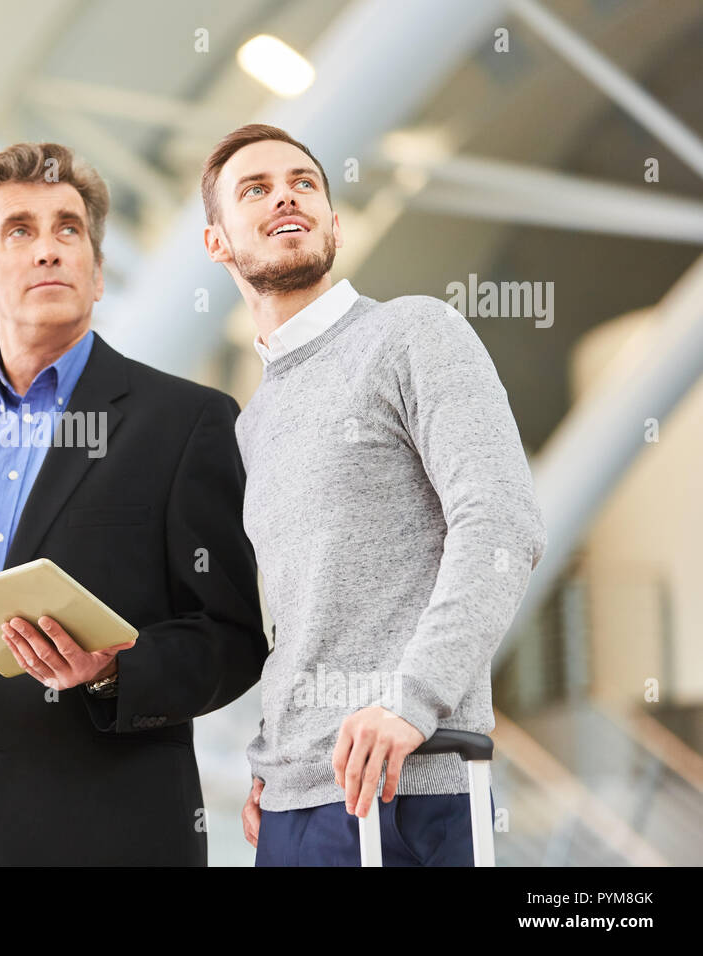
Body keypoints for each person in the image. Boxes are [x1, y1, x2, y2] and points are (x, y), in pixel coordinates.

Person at [0, 141, 267, 865]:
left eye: (68, 230)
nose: (49, 250)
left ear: (98, 273)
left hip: (116, 838)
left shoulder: (184, 422)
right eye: (20, 231)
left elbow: (230, 640)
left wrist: (113, 670)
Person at [199, 124, 546, 866]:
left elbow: (502, 524)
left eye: (304, 183)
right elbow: (303, 616)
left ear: (333, 221)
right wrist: (273, 756)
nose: (285, 195)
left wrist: (411, 698)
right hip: (291, 805)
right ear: (217, 242)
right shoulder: (253, 422)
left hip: (407, 793)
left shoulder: (414, 334)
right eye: (254, 189)